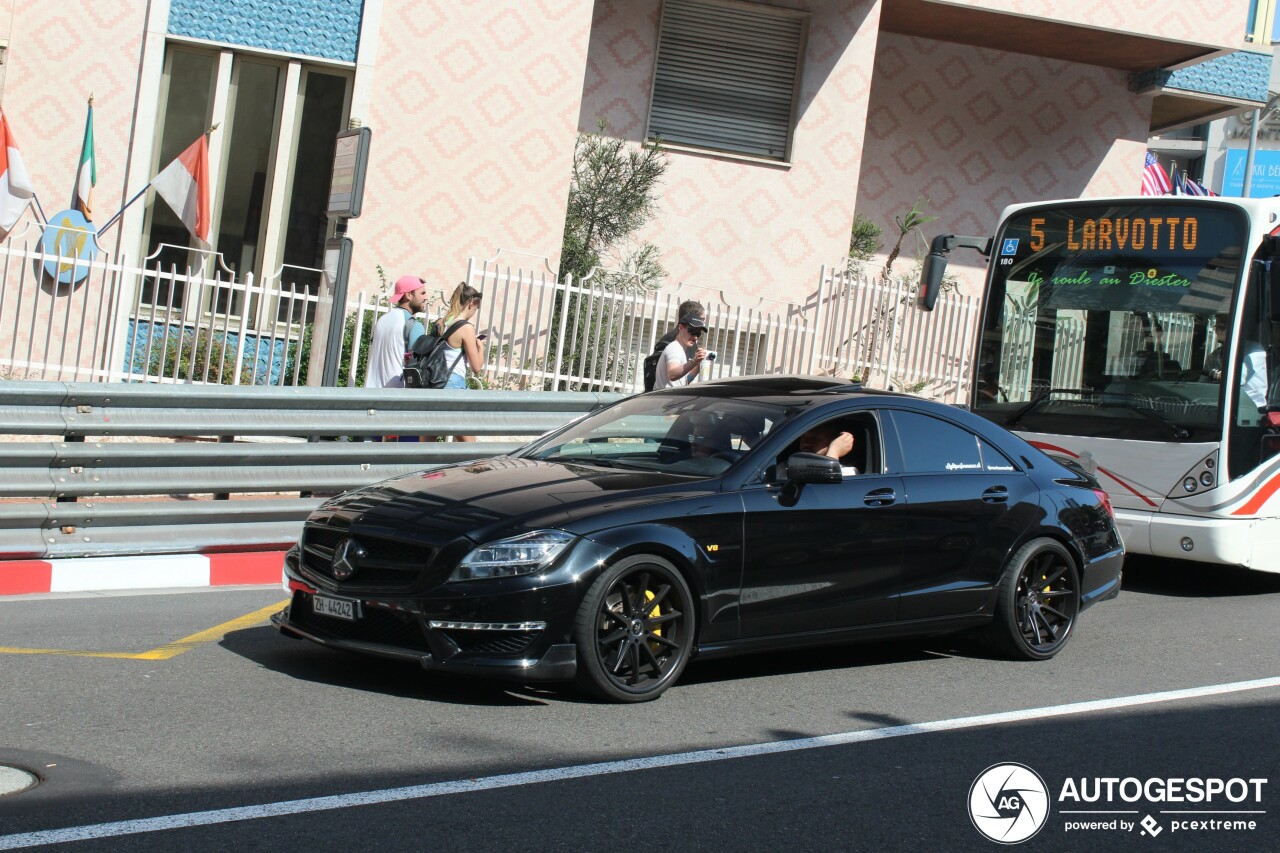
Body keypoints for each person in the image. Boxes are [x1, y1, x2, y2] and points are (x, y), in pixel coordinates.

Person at [433, 282, 486, 441]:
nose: (475, 312)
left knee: (427, 443)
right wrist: (480, 347)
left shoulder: (440, 323)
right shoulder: (466, 328)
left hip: (434, 385)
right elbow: (476, 367)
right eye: (476, 308)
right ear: (472, 303)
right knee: (469, 447)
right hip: (453, 386)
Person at [365, 275, 427, 389]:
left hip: (371, 393)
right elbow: (420, 366)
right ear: (408, 295)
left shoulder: (382, 320)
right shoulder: (413, 325)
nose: (426, 297)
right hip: (395, 397)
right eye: (422, 293)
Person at [653, 314, 707, 390]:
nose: (695, 337)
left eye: (698, 334)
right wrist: (694, 361)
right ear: (681, 328)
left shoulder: (680, 349)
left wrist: (698, 365)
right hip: (666, 399)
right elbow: (673, 375)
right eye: (692, 331)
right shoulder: (674, 348)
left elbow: (683, 381)